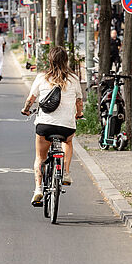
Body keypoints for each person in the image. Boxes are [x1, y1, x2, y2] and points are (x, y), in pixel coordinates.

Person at [21, 46, 84, 206]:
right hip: (66, 126)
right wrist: (79, 114)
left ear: (50, 60)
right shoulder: (73, 79)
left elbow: (31, 99)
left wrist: (26, 110)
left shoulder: (42, 77)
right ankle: (66, 173)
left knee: (40, 157)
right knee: (68, 142)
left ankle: (38, 189)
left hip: (45, 126)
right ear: (66, 60)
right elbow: (79, 101)